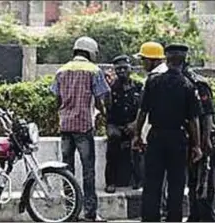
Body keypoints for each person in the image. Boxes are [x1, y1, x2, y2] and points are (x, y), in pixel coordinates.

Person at [132, 41, 203, 222]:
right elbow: (194, 119)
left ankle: (149, 219)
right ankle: (173, 219)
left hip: (156, 136)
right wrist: (196, 145)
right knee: (176, 184)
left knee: (152, 183)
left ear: (167, 59)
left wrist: (136, 135)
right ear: (183, 60)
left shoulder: (153, 82)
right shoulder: (188, 86)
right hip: (177, 139)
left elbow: (142, 112)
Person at [51, 36, 111, 222]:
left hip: (65, 127)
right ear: (90, 51)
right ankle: (90, 213)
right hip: (84, 126)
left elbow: (57, 99)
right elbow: (101, 98)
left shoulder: (61, 71)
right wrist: (104, 113)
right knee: (88, 171)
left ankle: (71, 211)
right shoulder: (93, 70)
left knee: (67, 171)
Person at [168, 44, 215, 222]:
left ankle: (206, 216)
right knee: (190, 180)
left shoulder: (197, 83)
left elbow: (208, 113)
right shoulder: (172, 81)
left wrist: (205, 141)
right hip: (184, 138)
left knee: (203, 180)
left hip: (202, 137)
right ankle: (195, 215)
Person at [104, 55, 143, 193]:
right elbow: (106, 108)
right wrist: (107, 89)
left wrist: (134, 124)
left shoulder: (138, 86)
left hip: (133, 124)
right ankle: (111, 182)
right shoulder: (110, 87)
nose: (121, 71)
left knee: (136, 146)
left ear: (130, 69)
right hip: (115, 124)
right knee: (113, 139)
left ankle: (138, 180)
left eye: (124, 68)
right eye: (118, 69)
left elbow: (143, 109)